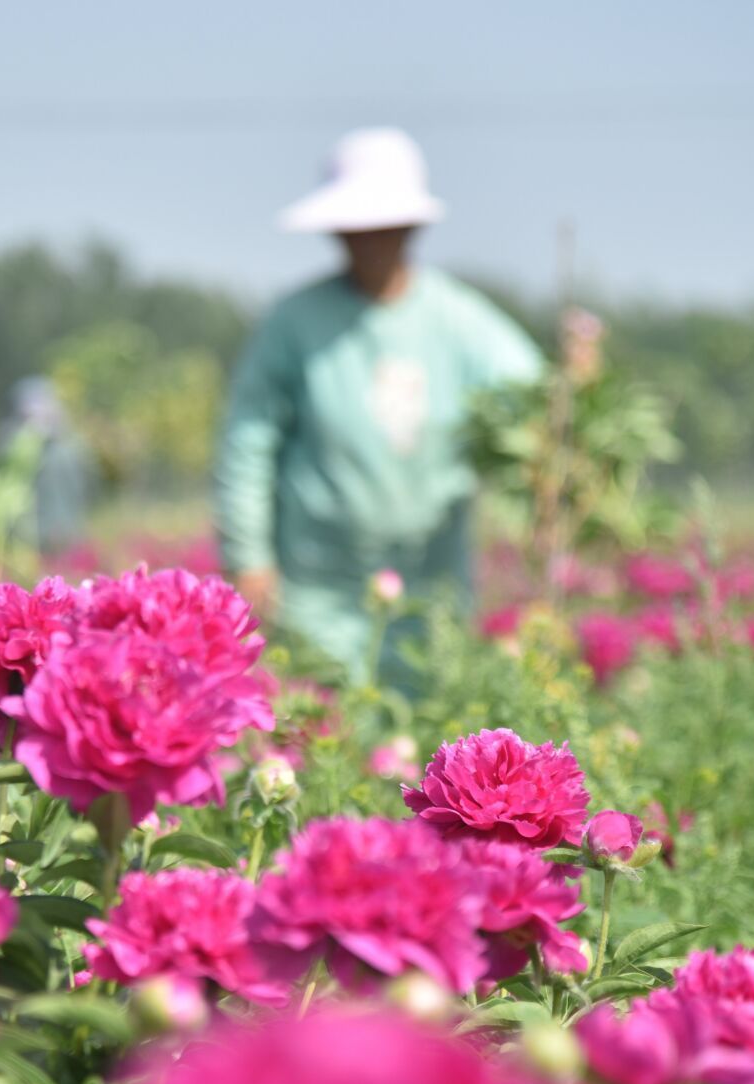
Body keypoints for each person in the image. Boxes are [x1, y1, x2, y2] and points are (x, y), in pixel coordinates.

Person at [213, 127, 545, 680]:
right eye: (355, 228)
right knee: (326, 741)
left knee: (424, 738)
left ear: (413, 225)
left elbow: (536, 398)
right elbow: (247, 444)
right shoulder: (294, 324)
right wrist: (248, 559)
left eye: (384, 226)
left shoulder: (459, 321)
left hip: (430, 589)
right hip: (316, 591)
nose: (368, 240)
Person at [0, 376, 93, 556]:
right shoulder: (11, 443)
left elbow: (86, 485)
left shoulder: (70, 446)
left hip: (63, 529)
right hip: (25, 536)